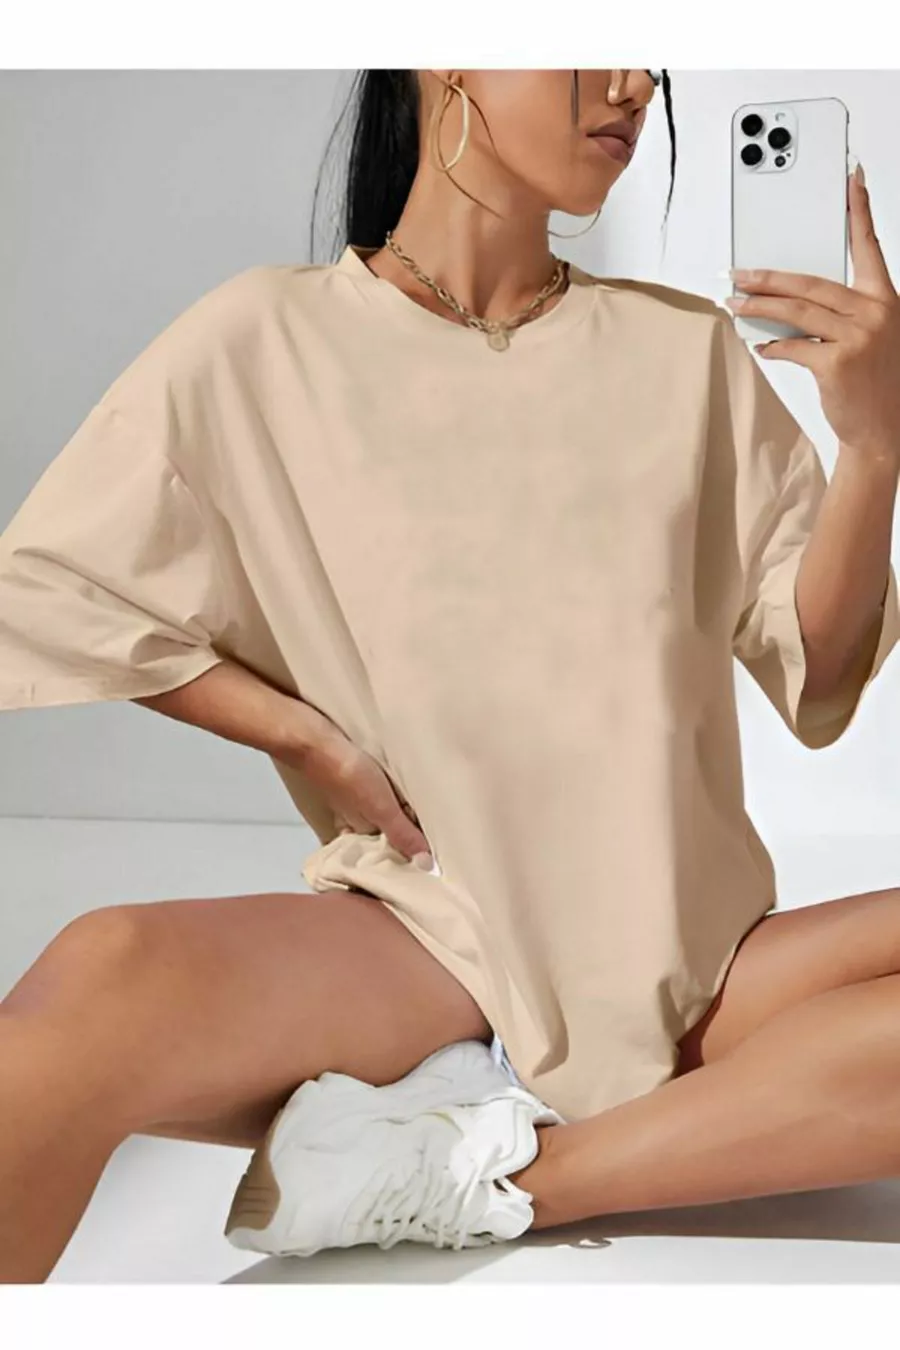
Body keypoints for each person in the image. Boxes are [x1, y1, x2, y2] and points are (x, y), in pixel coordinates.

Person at [2, 68, 900, 1280]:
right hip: (429, 948)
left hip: (696, 969)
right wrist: (300, 734)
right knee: (93, 986)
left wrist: (874, 447)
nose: (632, 84)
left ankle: (490, 1177)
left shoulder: (682, 351)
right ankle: (599, 1132)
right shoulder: (264, 339)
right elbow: (44, 592)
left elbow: (820, 675)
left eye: (644, 52)